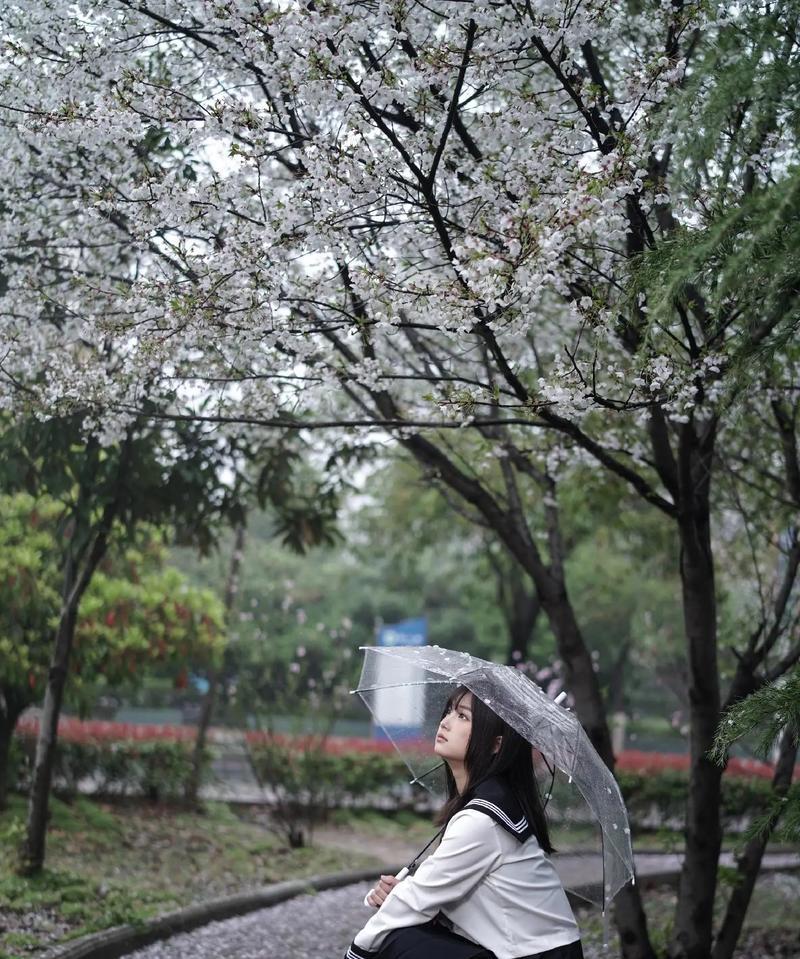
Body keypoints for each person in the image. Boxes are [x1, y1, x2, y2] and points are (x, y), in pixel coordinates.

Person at [343, 687, 584, 959]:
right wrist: (401, 894)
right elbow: (432, 892)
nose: (445, 722)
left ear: (496, 744)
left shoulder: (482, 821)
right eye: (449, 711)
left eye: (463, 717)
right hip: (538, 952)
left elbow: (416, 901)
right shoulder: (490, 804)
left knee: (397, 941)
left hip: (540, 956)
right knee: (409, 934)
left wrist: (356, 952)